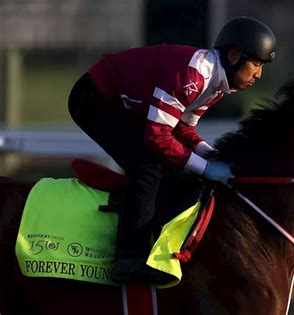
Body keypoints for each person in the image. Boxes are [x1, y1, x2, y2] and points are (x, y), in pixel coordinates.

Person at [68, 16, 277, 283]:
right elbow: (157, 137)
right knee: (147, 164)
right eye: (257, 64)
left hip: (124, 105)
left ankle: (150, 236)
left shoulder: (216, 87)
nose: (259, 74)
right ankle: (128, 260)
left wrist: (207, 152)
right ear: (235, 55)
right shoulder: (195, 75)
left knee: (173, 168)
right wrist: (204, 166)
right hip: (94, 96)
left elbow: (181, 129)